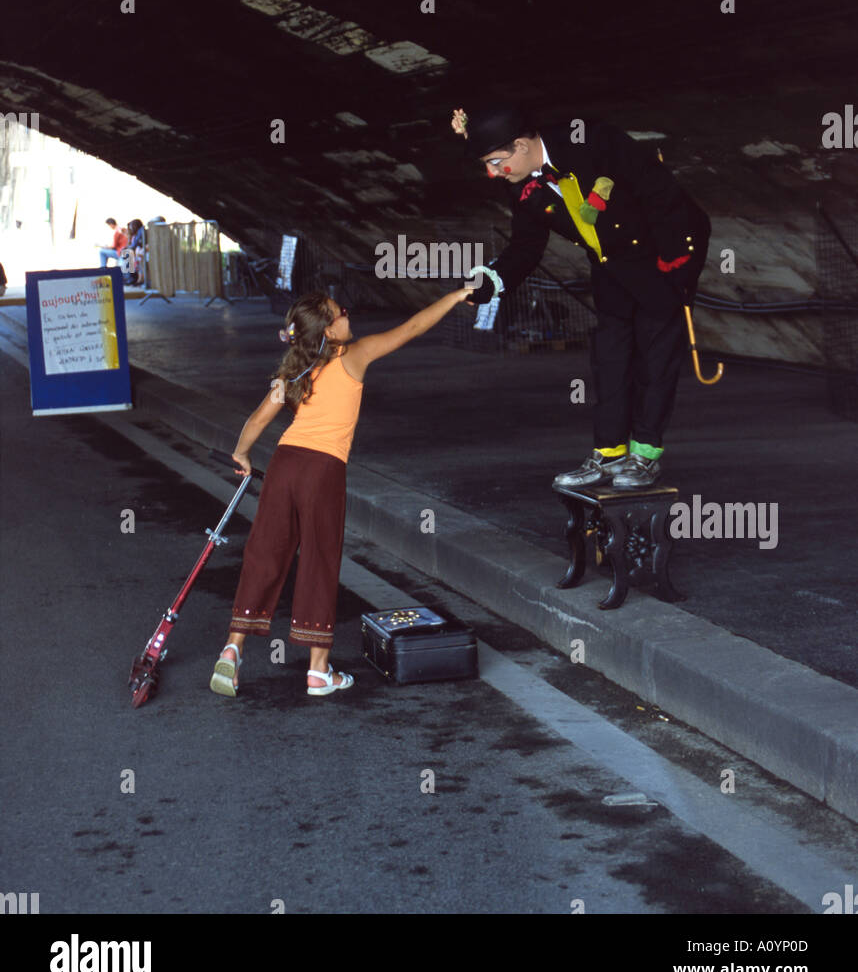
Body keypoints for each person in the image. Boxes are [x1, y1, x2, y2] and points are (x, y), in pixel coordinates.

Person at [210, 283, 472, 699]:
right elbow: (414, 327)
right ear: (329, 332)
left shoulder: (294, 368)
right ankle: (317, 671)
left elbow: (260, 418)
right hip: (323, 469)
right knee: (319, 557)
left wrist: (242, 453)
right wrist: (457, 297)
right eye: (341, 312)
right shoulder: (356, 354)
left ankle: (233, 648)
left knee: (266, 551)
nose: (349, 315)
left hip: (284, 464)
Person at [451, 102, 711, 489]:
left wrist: (676, 265)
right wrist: (493, 282)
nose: (492, 173)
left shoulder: (591, 139)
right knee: (609, 360)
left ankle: (644, 457)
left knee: (654, 361)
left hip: (660, 257)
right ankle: (608, 455)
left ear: (521, 145)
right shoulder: (522, 185)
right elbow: (525, 245)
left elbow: (662, 195)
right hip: (610, 263)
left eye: (495, 161)